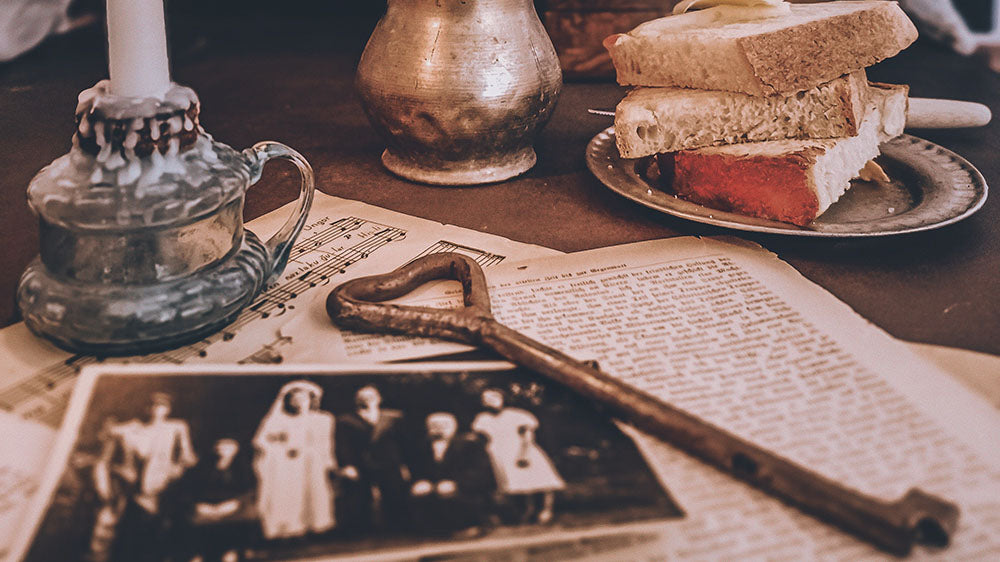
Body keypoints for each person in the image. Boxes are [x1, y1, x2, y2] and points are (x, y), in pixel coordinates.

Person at [105, 392, 198, 561]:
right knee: (129, 535)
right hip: (136, 490)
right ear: (147, 409)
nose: (157, 409)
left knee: (158, 534)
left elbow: (189, 457)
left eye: (162, 406)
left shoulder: (176, 427)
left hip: (164, 488)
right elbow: (111, 433)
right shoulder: (136, 429)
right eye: (153, 405)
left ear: (168, 410)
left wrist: (175, 470)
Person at [252, 380, 337, 540]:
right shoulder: (277, 420)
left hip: (312, 463)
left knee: (315, 493)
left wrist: (327, 462)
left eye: (303, 399)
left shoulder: (323, 419)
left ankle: (316, 526)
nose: (299, 403)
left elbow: (326, 443)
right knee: (288, 494)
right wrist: (281, 448)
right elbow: (261, 442)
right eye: (295, 399)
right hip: (286, 465)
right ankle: (288, 528)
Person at [472, 389, 565, 525]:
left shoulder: (517, 415)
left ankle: (545, 511)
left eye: (493, 397)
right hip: (499, 453)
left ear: (503, 397)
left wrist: (524, 453)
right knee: (516, 485)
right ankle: (525, 513)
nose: (489, 400)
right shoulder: (482, 418)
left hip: (520, 449)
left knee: (540, 482)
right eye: (485, 398)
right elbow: (480, 439)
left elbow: (528, 436)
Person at [336, 385, 410, 532]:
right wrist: (348, 465)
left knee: (394, 495)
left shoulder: (393, 418)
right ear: (356, 400)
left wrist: (404, 465)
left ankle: (397, 528)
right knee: (360, 498)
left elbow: (404, 443)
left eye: (370, 397)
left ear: (379, 399)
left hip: (389, 463)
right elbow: (343, 445)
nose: (366, 400)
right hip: (361, 463)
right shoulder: (345, 420)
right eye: (362, 398)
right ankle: (362, 530)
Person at [408, 412, 495, 537]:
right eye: (434, 425)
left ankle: (468, 526)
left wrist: (457, 483)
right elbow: (418, 471)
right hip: (436, 487)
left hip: (468, 489)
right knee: (420, 491)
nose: (438, 429)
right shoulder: (422, 447)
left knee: (448, 492)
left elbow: (482, 472)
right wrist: (421, 482)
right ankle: (433, 530)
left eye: (443, 425)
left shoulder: (470, 445)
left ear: (454, 426)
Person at [178, 438, 255, 562]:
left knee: (229, 554)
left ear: (236, 448)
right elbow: (189, 491)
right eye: (219, 445)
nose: (222, 449)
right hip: (205, 510)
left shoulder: (243, 468)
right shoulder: (200, 468)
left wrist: (233, 504)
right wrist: (199, 506)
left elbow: (249, 491)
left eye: (227, 446)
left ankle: (231, 552)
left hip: (234, 510)